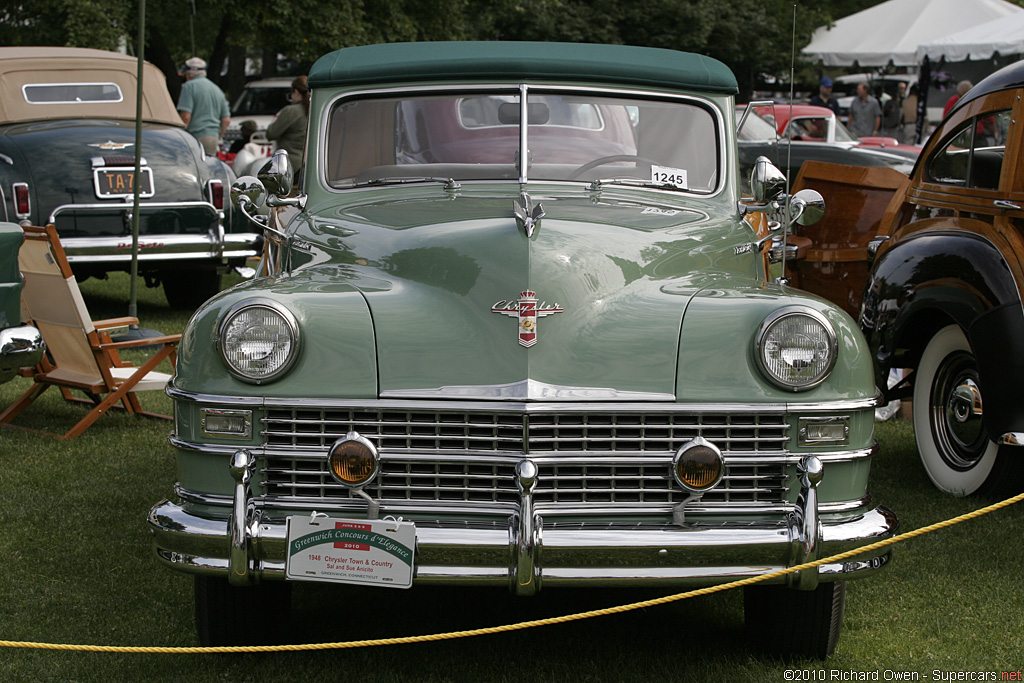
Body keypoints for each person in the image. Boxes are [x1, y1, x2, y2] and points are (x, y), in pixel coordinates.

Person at [177, 57, 230, 156]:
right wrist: (218, 135)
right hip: (213, 138)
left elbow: (186, 117)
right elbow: (226, 120)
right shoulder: (217, 89)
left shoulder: (188, 87)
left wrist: (180, 135)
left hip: (194, 138)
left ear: (189, 73)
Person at [266, 75, 310, 177]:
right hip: (310, 165)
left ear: (296, 91)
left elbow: (271, 133)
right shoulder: (316, 110)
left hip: (291, 166)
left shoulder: (291, 111)